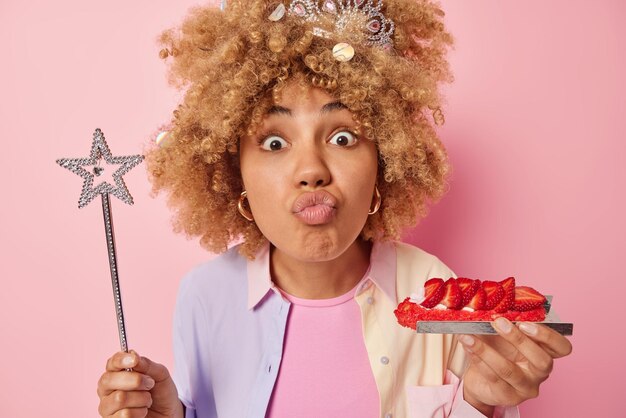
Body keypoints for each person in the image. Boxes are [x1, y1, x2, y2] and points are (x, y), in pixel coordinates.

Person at [96, 0, 573, 417]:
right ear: (234, 173)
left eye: (343, 137)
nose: (311, 170)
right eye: (275, 141)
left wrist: (479, 402)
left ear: (383, 162)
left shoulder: (433, 289)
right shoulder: (204, 296)